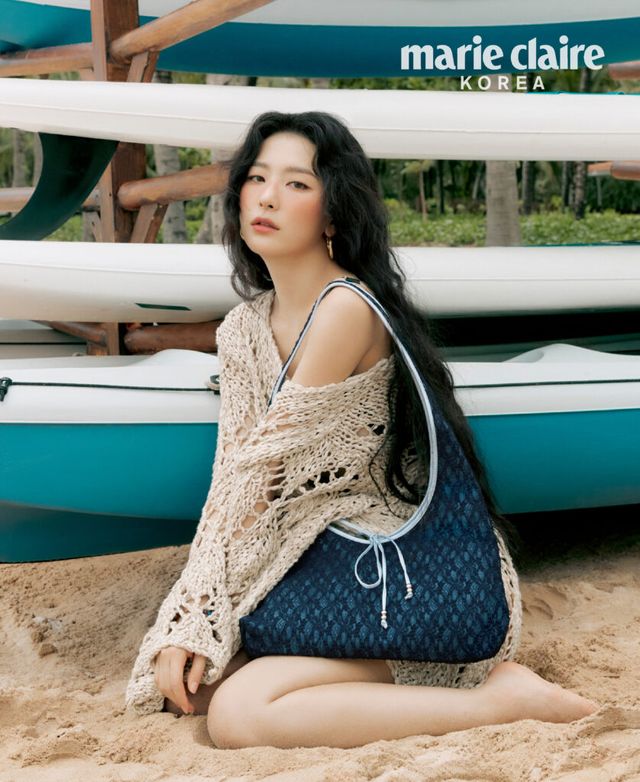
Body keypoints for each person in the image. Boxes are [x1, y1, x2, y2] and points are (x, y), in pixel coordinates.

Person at [125, 111, 598, 748]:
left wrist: (190, 618)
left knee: (237, 714)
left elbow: (261, 483)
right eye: (257, 178)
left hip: (397, 578)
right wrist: (195, 621)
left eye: (297, 183)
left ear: (334, 213)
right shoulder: (243, 327)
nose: (267, 197)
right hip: (313, 563)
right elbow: (232, 482)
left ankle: (499, 700)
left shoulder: (345, 309)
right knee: (193, 690)